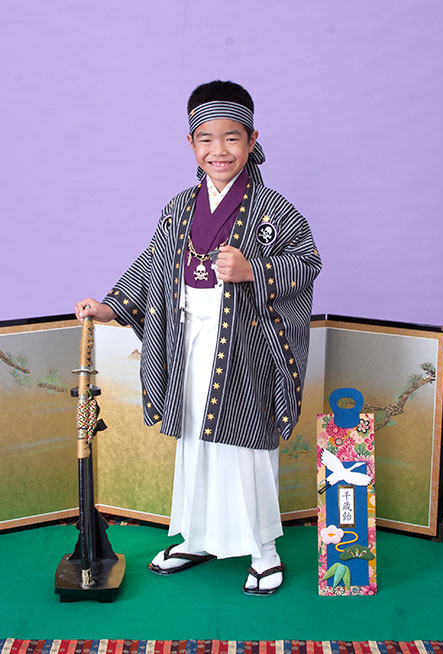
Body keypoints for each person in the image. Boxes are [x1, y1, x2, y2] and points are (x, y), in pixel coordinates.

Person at [75, 80, 322, 595]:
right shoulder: (179, 207)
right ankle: (198, 536)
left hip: (246, 347)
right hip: (188, 340)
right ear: (191, 143)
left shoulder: (273, 210)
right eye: (206, 139)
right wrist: (110, 305)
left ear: (252, 140)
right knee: (195, 440)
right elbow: (151, 264)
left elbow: (307, 262)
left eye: (231, 138)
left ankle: (264, 550)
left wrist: (254, 270)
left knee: (246, 447)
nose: (219, 150)